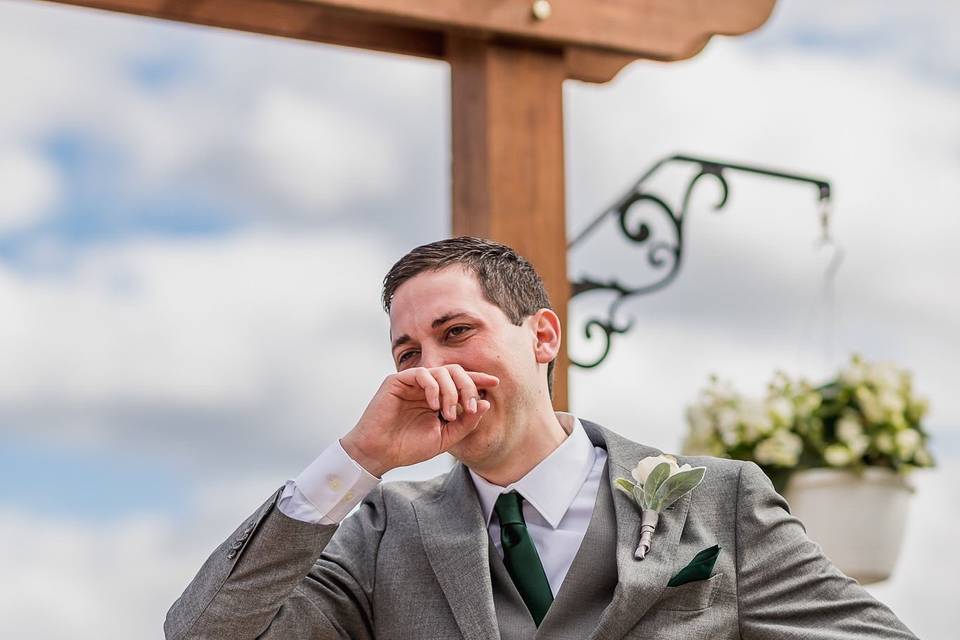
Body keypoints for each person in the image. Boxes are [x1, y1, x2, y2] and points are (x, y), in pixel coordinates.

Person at [165, 237, 917, 640]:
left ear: (543, 336)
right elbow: (203, 635)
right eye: (407, 353)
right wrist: (357, 460)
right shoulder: (380, 531)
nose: (432, 369)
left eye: (457, 332)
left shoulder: (723, 504)